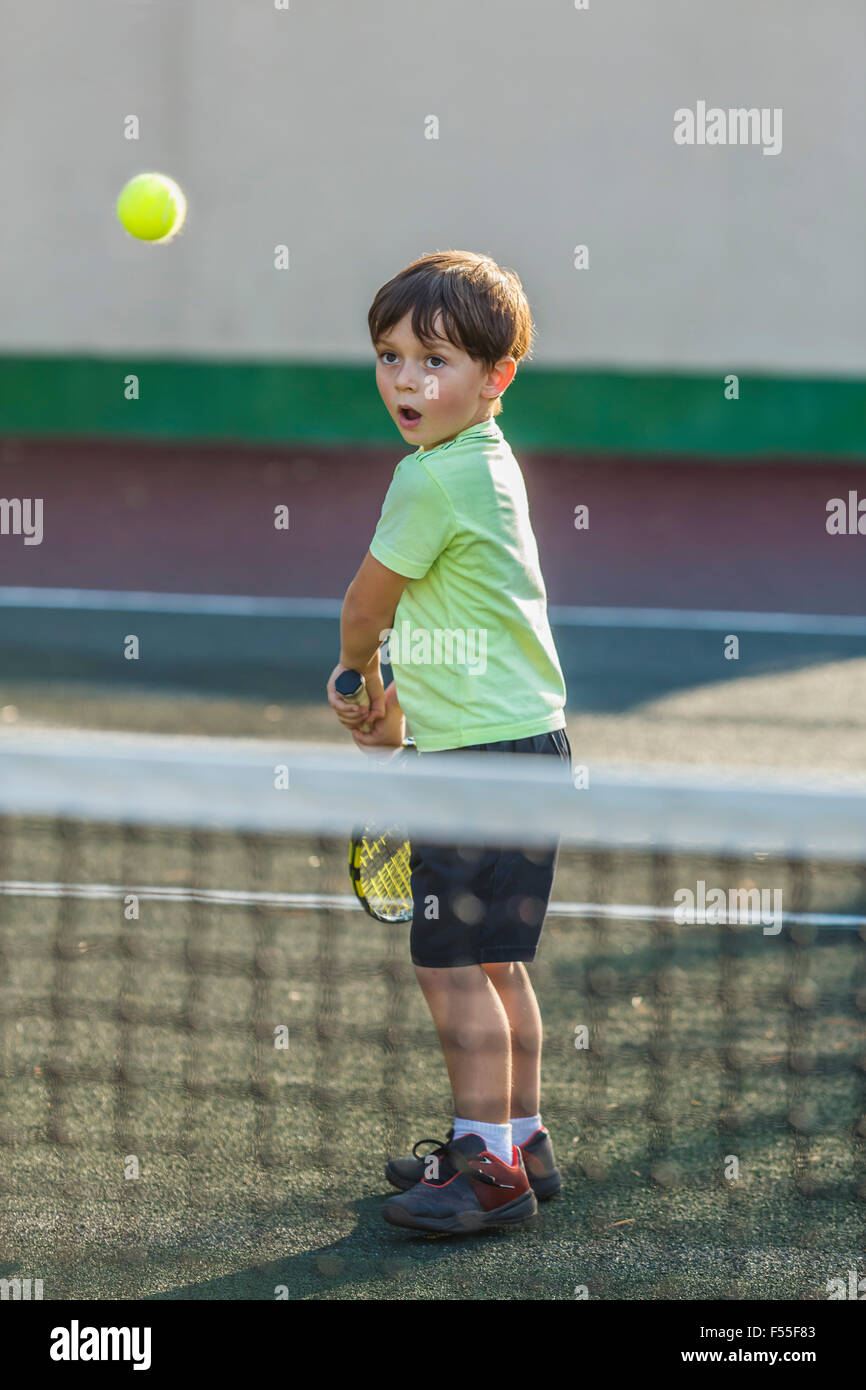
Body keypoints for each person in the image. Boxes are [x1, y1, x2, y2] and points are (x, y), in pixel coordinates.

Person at [327, 249, 571, 1233]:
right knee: (500, 960)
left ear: (493, 377)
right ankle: (519, 1141)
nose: (404, 381)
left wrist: (358, 682)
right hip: (531, 749)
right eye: (389, 357)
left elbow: (365, 603)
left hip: (471, 763)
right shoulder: (489, 463)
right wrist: (400, 714)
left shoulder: (426, 481)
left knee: (448, 964)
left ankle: (481, 1166)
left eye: (433, 361)